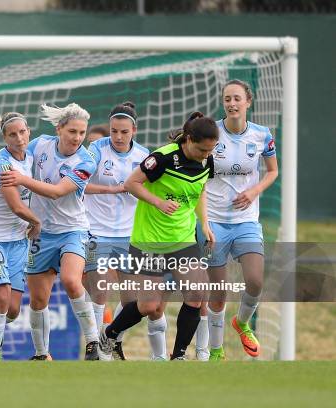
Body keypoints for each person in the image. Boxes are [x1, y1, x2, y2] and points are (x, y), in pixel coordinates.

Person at [98, 111, 218, 361]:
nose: (206, 155)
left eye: (211, 150)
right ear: (188, 140)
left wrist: (204, 223)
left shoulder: (207, 161)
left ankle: (179, 356)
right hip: (149, 239)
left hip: (183, 238)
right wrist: (158, 202)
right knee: (149, 306)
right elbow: (132, 183)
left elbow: (201, 189)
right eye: (202, 150)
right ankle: (110, 334)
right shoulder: (162, 158)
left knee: (197, 294)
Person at [0, 103, 104, 360]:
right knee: (38, 299)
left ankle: (93, 342)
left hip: (73, 230)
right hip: (41, 232)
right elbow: (15, 157)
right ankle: (41, 354)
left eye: (82, 132)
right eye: (72, 131)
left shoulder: (86, 160)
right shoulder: (41, 144)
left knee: (70, 280)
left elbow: (57, 192)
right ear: (59, 129)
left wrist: (22, 180)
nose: (77, 138)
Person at [199, 79, 278, 360]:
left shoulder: (261, 135)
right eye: (227, 99)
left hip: (246, 221)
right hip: (214, 222)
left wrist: (253, 191)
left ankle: (242, 322)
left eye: (236, 99)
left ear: (248, 102)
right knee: (218, 294)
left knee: (255, 281)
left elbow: (272, 171)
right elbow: (199, 179)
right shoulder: (211, 134)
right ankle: (217, 350)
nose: (231, 104)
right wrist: (204, 222)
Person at [83, 101, 168, 361]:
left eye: (124, 132)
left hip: (130, 235)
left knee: (131, 299)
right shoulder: (96, 149)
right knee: (99, 290)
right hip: (96, 231)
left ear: (134, 130)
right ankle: (95, 347)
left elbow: (154, 190)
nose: (118, 137)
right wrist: (111, 189)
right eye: (113, 131)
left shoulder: (144, 156)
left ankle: (112, 340)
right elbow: (79, 184)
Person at [0, 112, 41, 361]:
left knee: (12, 310)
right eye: (12, 134)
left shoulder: (31, 155)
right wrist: (37, 221)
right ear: (4, 137)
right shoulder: (2, 163)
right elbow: (16, 206)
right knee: (1, 297)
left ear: (28, 132)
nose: (19, 138)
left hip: (17, 240)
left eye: (22, 132)